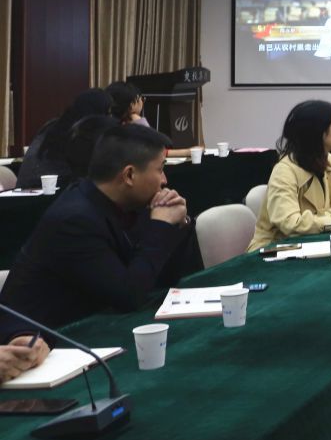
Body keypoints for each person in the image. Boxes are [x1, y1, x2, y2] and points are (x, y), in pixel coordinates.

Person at [0, 124, 197, 332]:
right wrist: (161, 226)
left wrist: (177, 224)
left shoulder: (127, 203)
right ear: (129, 175)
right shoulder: (75, 220)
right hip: (36, 339)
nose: (165, 180)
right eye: (160, 169)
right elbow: (129, 296)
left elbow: (163, 279)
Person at [250, 100, 331, 251]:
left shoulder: (328, 161)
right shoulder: (284, 171)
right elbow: (290, 224)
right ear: (320, 133)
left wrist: (320, 219)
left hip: (311, 244)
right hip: (273, 249)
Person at [15, 88, 111, 189]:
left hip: (29, 188)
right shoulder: (80, 133)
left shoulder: (54, 125)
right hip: (46, 190)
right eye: (108, 113)